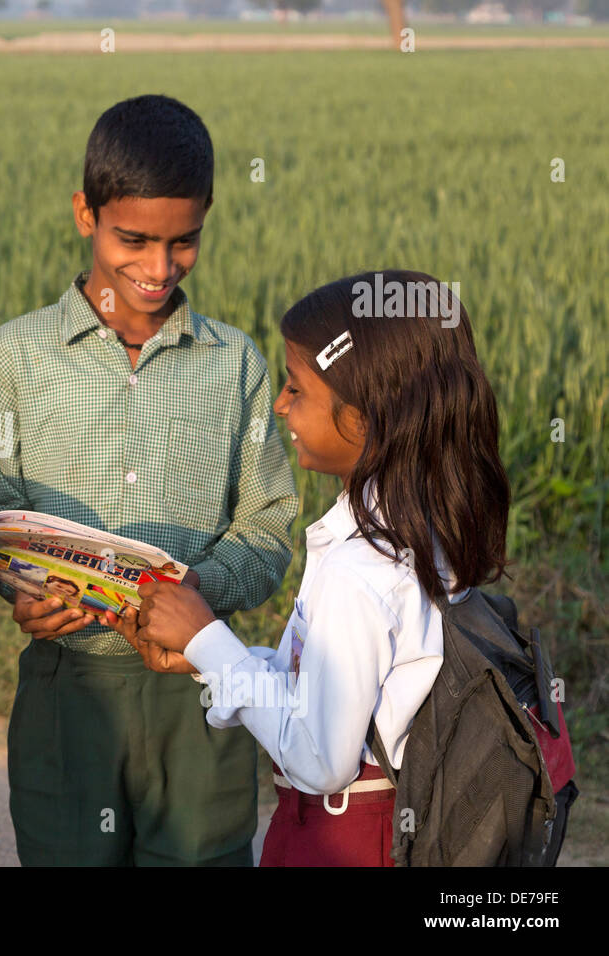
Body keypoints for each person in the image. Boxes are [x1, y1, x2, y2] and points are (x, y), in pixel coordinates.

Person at [0, 94, 298, 866]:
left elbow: (265, 527)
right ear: (85, 214)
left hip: (199, 689)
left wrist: (194, 595)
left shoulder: (236, 364)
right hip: (66, 689)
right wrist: (21, 588)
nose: (158, 268)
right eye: (134, 240)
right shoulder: (17, 356)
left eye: (183, 241)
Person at [114, 271, 509, 866]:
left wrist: (207, 639)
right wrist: (211, 655)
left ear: (364, 415)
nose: (279, 404)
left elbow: (319, 759)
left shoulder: (360, 569)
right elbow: (330, 687)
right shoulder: (419, 525)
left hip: (342, 840)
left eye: (297, 389)